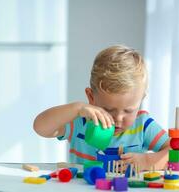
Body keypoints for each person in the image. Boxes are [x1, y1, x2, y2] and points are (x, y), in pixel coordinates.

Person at [33, 45, 170, 170]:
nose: (118, 118)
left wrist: (147, 161)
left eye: (128, 110)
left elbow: (178, 151)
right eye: (109, 110)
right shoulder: (81, 121)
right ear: (91, 97)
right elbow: (40, 127)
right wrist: (77, 108)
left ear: (141, 100)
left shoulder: (142, 125)